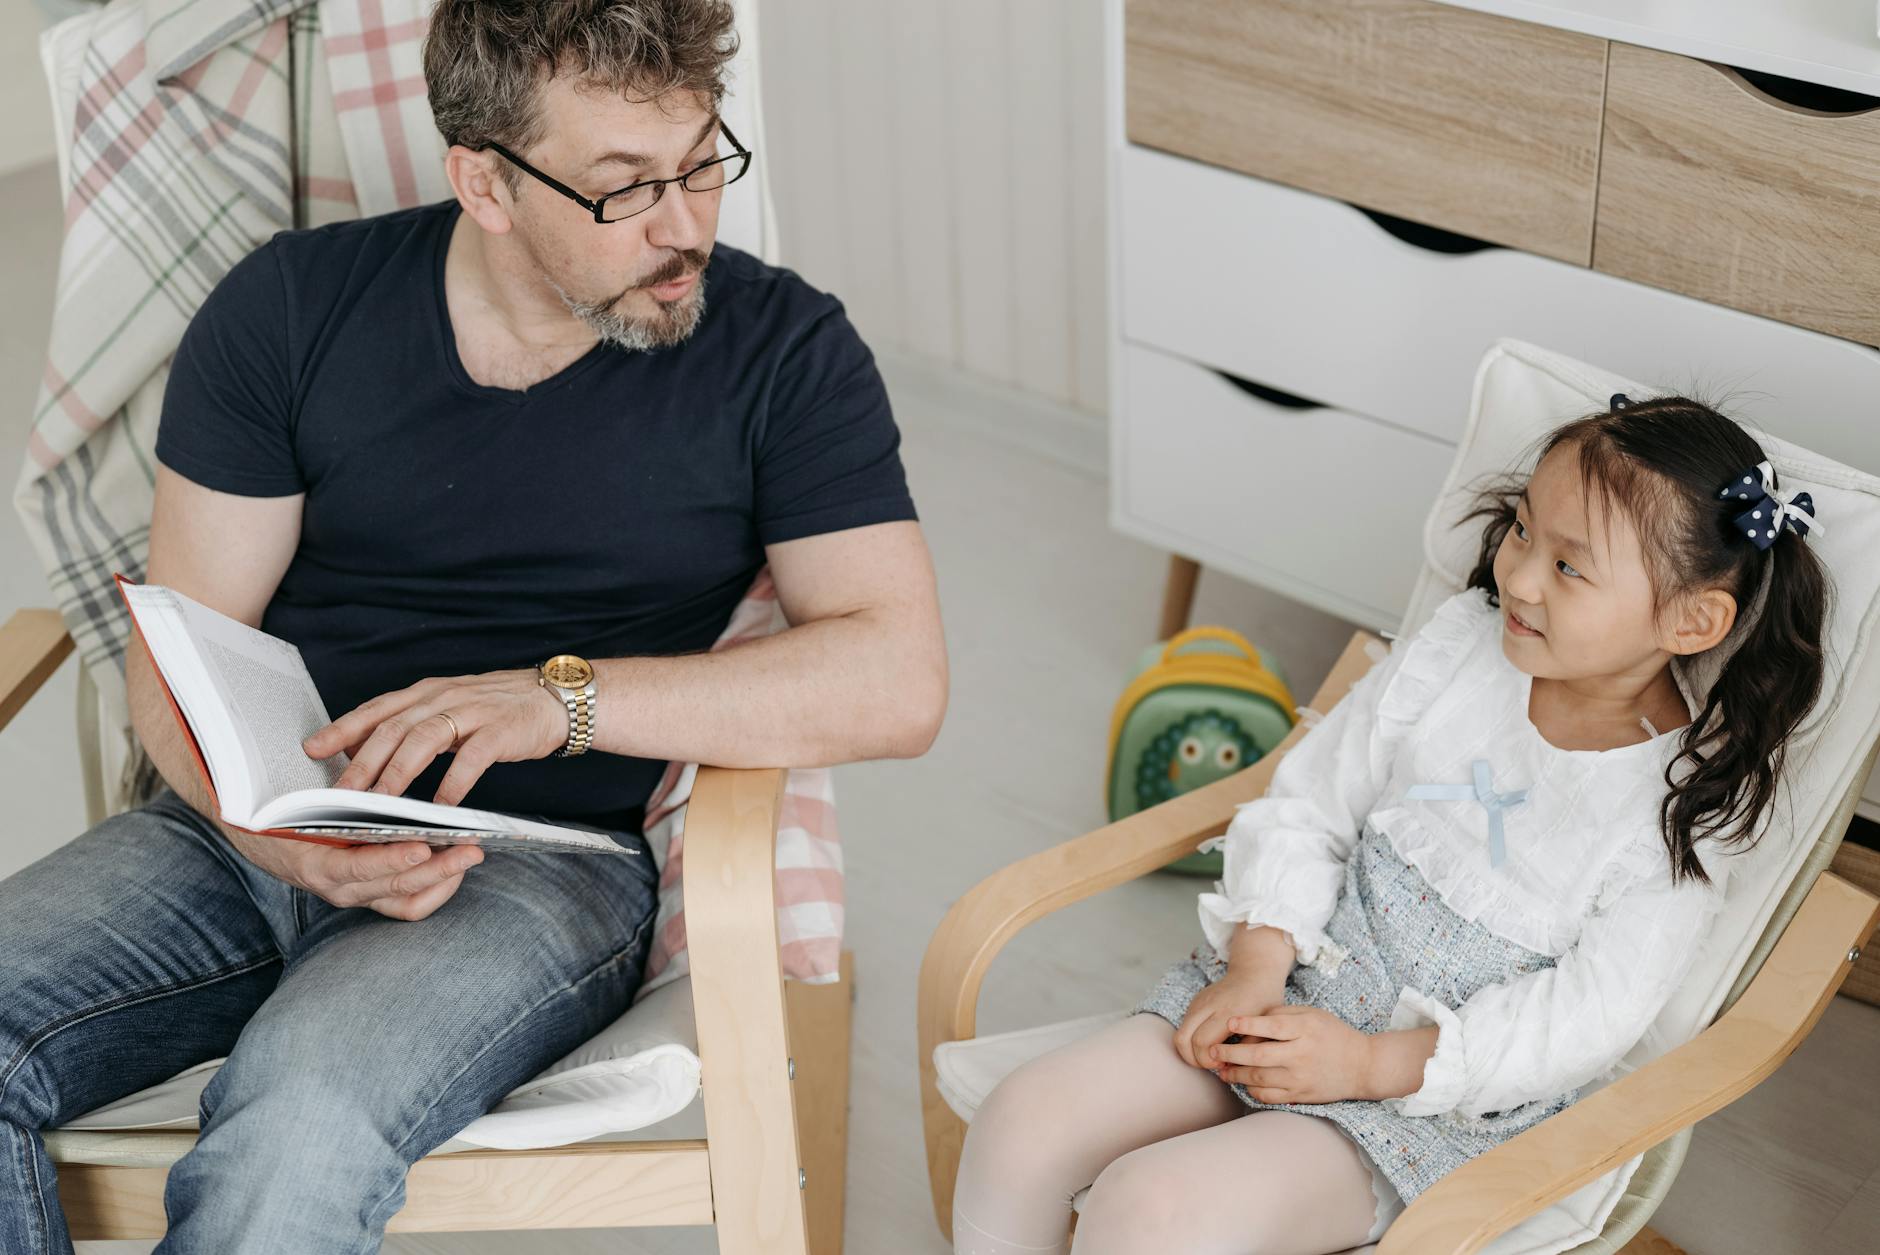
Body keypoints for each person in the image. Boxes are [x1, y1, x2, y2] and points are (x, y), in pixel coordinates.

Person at [0, 2, 946, 1251]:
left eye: (703, 161)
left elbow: (896, 675)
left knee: (297, 1124)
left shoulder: (785, 352)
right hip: (245, 836)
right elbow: (181, 650)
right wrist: (265, 830)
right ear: (485, 182)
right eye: (626, 189)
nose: (685, 226)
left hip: (536, 864)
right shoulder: (288, 309)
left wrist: (559, 700)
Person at [951, 396, 1829, 1254]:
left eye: (1569, 567)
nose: (1518, 576)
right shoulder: (1460, 653)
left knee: (1149, 1209)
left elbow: (1579, 1022)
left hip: (1415, 1102)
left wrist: (1371, 1066)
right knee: (1023, 1121)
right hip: (1281, 990)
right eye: (1523, 530)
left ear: (1690, 619)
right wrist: (1258, 961)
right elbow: (1311, 802)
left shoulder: (1684, 811)